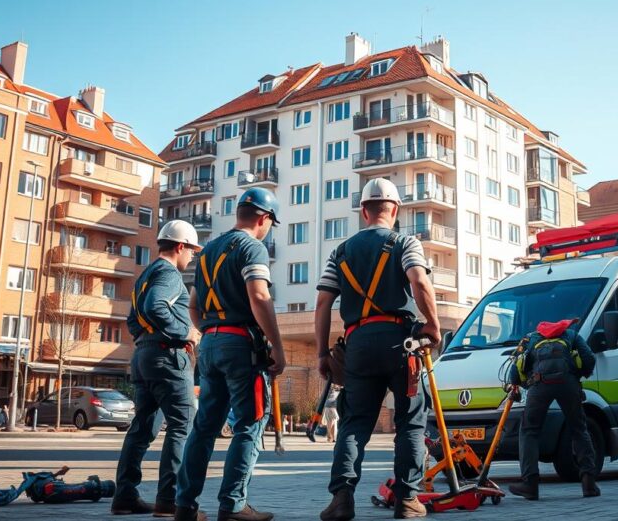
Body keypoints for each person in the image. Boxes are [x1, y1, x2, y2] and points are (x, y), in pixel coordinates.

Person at [315, 178, 442, 521]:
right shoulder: (405, 242)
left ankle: (342, 499)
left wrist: (322, 355)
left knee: (354, 423)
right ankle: (407, 500)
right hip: (401, 343)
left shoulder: (339, 252)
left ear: (363, 211)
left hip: (357, 344)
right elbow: (418, 280)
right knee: (411, 423)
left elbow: (323, 303)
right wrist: (432, 324)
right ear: (395, 210)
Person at [175, 187, 285, 521]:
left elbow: (194, 305)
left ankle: (184, 505)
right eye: (270, 224)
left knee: (204, 427)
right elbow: (259, 296)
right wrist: (276, 347)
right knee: (250, 423)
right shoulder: (253, 247)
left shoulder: (208, 251)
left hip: (210, 344)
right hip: (241, 347)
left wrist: (210, 331)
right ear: (264, 219)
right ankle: (233, 506)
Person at [113, 219, 203, 516]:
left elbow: (133, 321)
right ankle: (170, 500)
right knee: (182, 426)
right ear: (180, 246)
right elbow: (155, 307)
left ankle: (124, 497)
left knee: (142, 428)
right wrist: (186, 332)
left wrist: (149, 338)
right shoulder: (169, 274)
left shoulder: (145, 275)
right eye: (191, 250)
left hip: (144, 357)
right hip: (167, 358)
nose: (192, 257)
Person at [508, 318, 600, 500]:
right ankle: (589, 483)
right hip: (568, 384)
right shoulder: (572, 335)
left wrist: (522, 383)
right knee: (579, 429)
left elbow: (515, 369)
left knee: (529, 431)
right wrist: (577, 376)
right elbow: (589, 358)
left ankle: (530, 485)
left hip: (539, 384)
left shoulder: (531, 338)